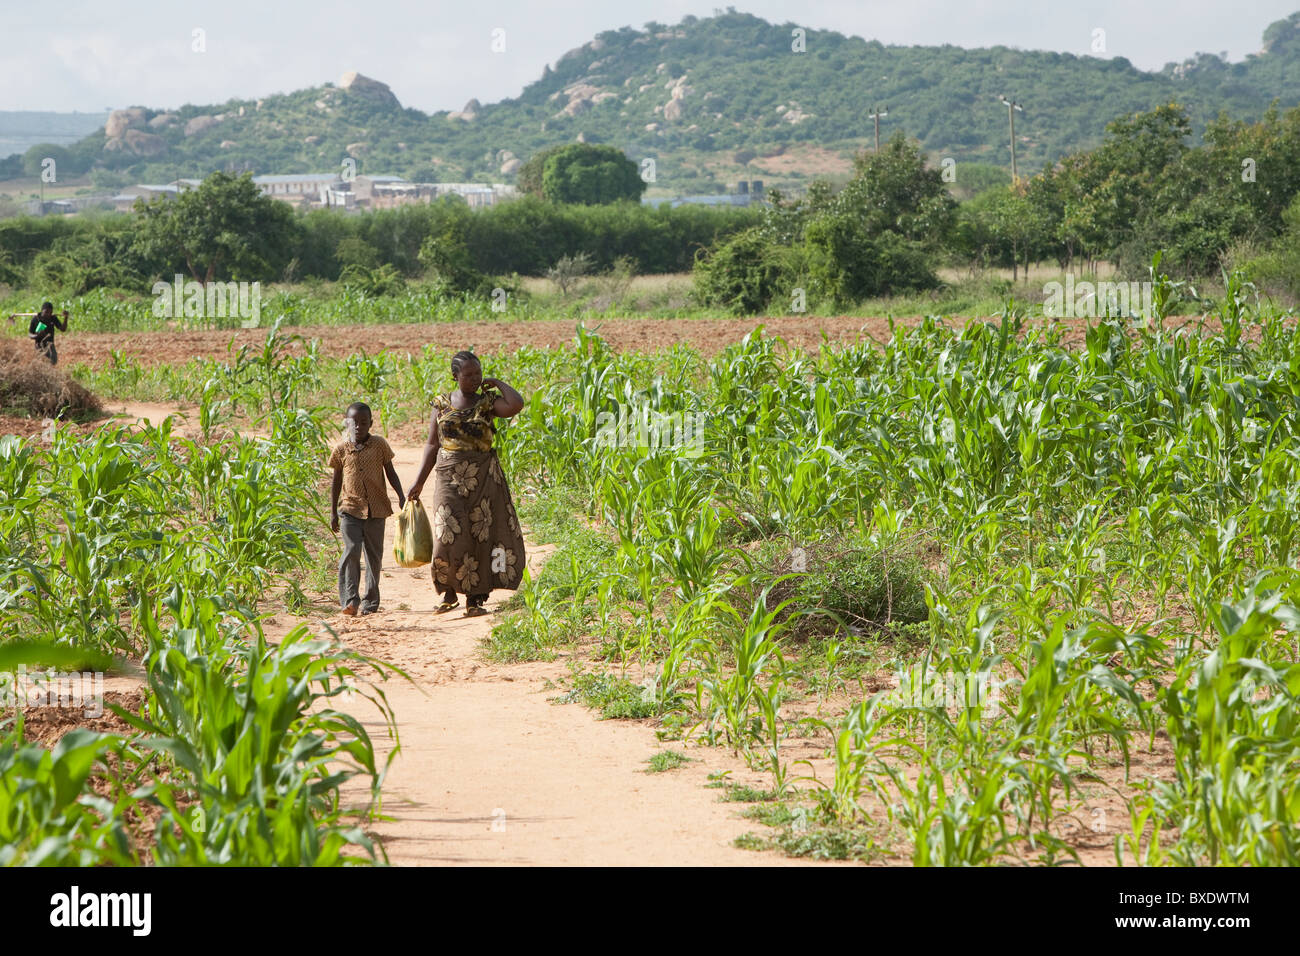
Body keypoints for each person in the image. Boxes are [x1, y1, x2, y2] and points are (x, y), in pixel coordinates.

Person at [407, 351, 526, 617]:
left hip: (482, 477)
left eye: (478, 374)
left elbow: (516, 404)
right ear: (455, 376)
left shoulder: (488, 403)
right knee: (447, 532)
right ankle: (449, 593)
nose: (475, 379)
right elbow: (431, 444)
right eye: (469, 375)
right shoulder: (441, 404)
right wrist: (418, 482)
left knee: (480, 535)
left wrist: (496, 383)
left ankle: (475, 598)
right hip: (448, 476)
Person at [329, 402, 405, 616]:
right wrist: (333, 511)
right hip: (350, 509)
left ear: (371, 423)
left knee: (374, 556)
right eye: (354, 423)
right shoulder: (341, 450)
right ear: (347, 424)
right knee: (352, 551)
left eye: (364, 423)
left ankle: (370, 602)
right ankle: (350, 600)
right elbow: (336, 481)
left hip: (376, 510)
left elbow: (390, 472)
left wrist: (400, 495)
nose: (359, 427)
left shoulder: (380, 445)